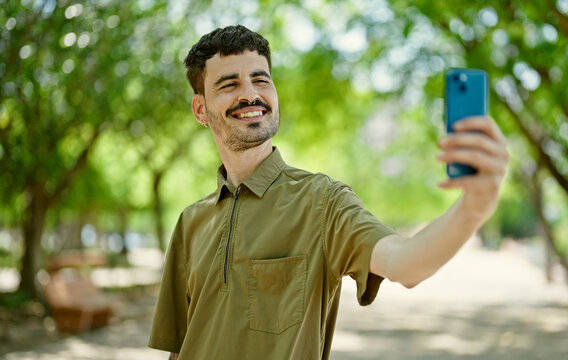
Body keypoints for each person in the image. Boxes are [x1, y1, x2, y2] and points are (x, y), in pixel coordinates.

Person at [148, 25, 509, 360]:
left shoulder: (323, 201)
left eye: (261, 80)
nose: (251, 94)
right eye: (229, 85)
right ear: (200, 110)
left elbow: (405, 262)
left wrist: (473, 208)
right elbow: (178, 349)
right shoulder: (190, 221)